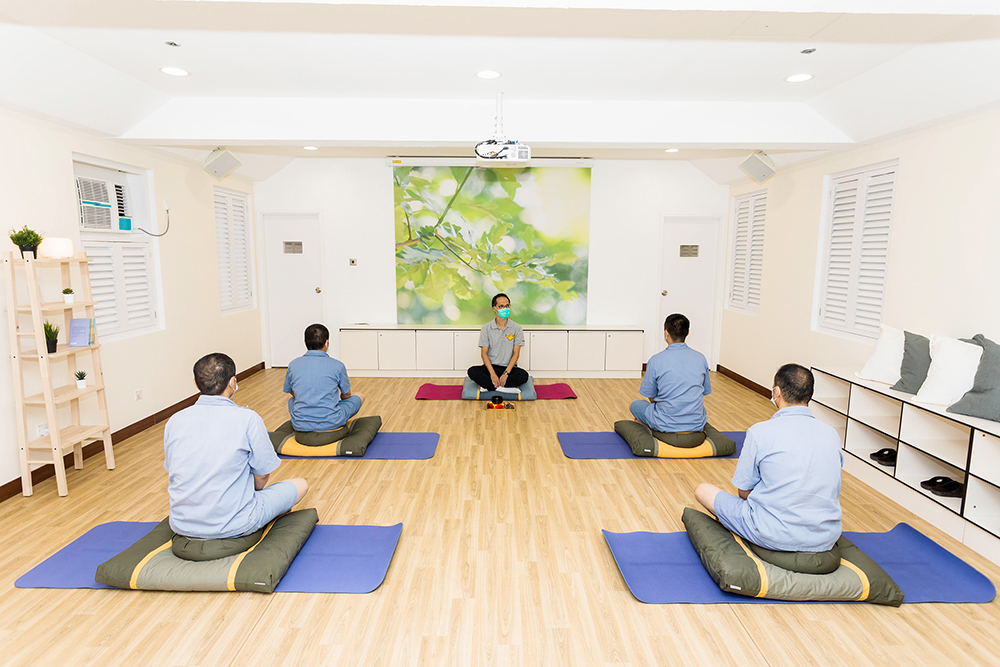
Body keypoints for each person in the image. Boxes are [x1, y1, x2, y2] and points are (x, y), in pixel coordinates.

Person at [695, 363, 843, 554]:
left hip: (770, 533)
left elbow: (743, 491)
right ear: (810, 394)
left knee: (703, 490)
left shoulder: (760, 432)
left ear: (776, 392)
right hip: (825, 538)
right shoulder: (831, 435)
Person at [164, 353, 308, 542]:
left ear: (195, 383)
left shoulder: (175, 420)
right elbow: (262, 476)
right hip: (237, 523)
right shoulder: (247, 419)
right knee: (300, 484)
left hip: (181, 525)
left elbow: (174, 470)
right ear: (233, 382)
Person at [630, 313, 712, 446]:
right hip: (695, 423)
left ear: (666, 333)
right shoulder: (700, 358)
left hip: (664, 422)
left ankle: (650, 425)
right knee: (701, 408)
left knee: (634, 405)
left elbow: (650, 396)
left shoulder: (656, 360)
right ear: (688, 333)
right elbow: (704, 391)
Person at [282, 323, 364, 441]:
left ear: (305, 343)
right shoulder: (337, 365)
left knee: (291, 400)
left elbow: (291, 391)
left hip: (300, 424)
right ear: (327, 343)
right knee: (360, 395)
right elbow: (347, 395)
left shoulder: (293, 364)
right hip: (332, 421)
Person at [467, 293, 528, 391]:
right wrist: (492, 374)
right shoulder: (486, 328)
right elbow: (484, 354)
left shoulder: (517, 328)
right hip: (491, 367)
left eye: (507, 306)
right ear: (494, 308)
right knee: (472, 371)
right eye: (501, 306)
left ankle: (491, 386)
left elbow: (516, 353)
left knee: (524, 375)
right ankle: (503, 387)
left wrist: (506, 373)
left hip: (508, 369)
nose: (505, 308)